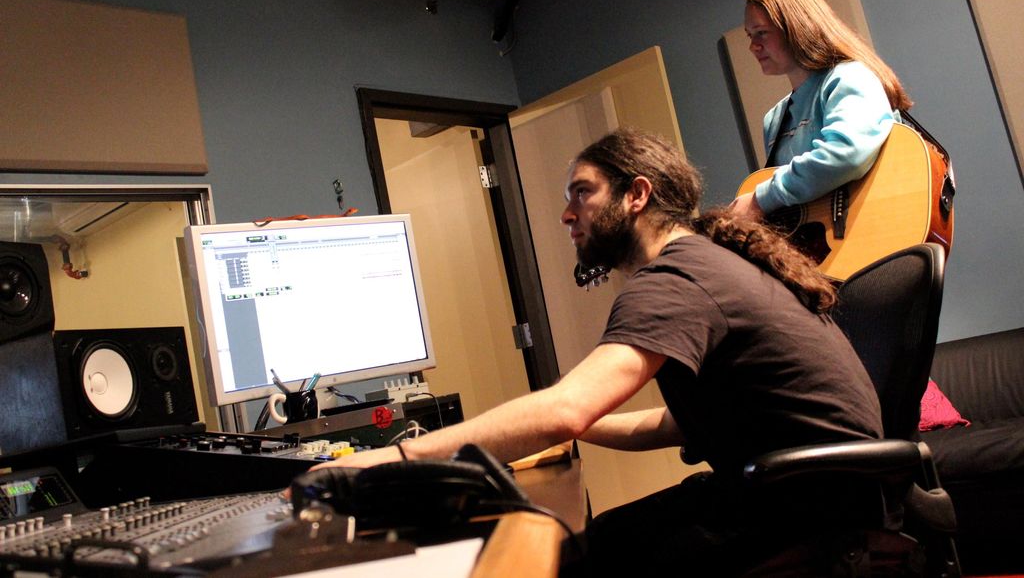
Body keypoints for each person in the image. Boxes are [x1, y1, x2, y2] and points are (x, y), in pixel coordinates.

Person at [307, 128, 883, 575]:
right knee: (599, 540)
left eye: (582, 193)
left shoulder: (675, 280)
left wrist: (386, 462)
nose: (566, 214)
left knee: (571, 559)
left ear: (636, 195)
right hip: (827, 492)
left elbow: (568, 407)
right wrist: (571, 427)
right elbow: (673, 422)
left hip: (804, 509)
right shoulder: (708, 264)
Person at [731, 0, 912, 221]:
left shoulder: (849, 77)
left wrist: (760, 199)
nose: (753, 46)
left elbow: (847, 153)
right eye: (749, 36)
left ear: (796, 27)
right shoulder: (774, 119)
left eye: (761, 33)